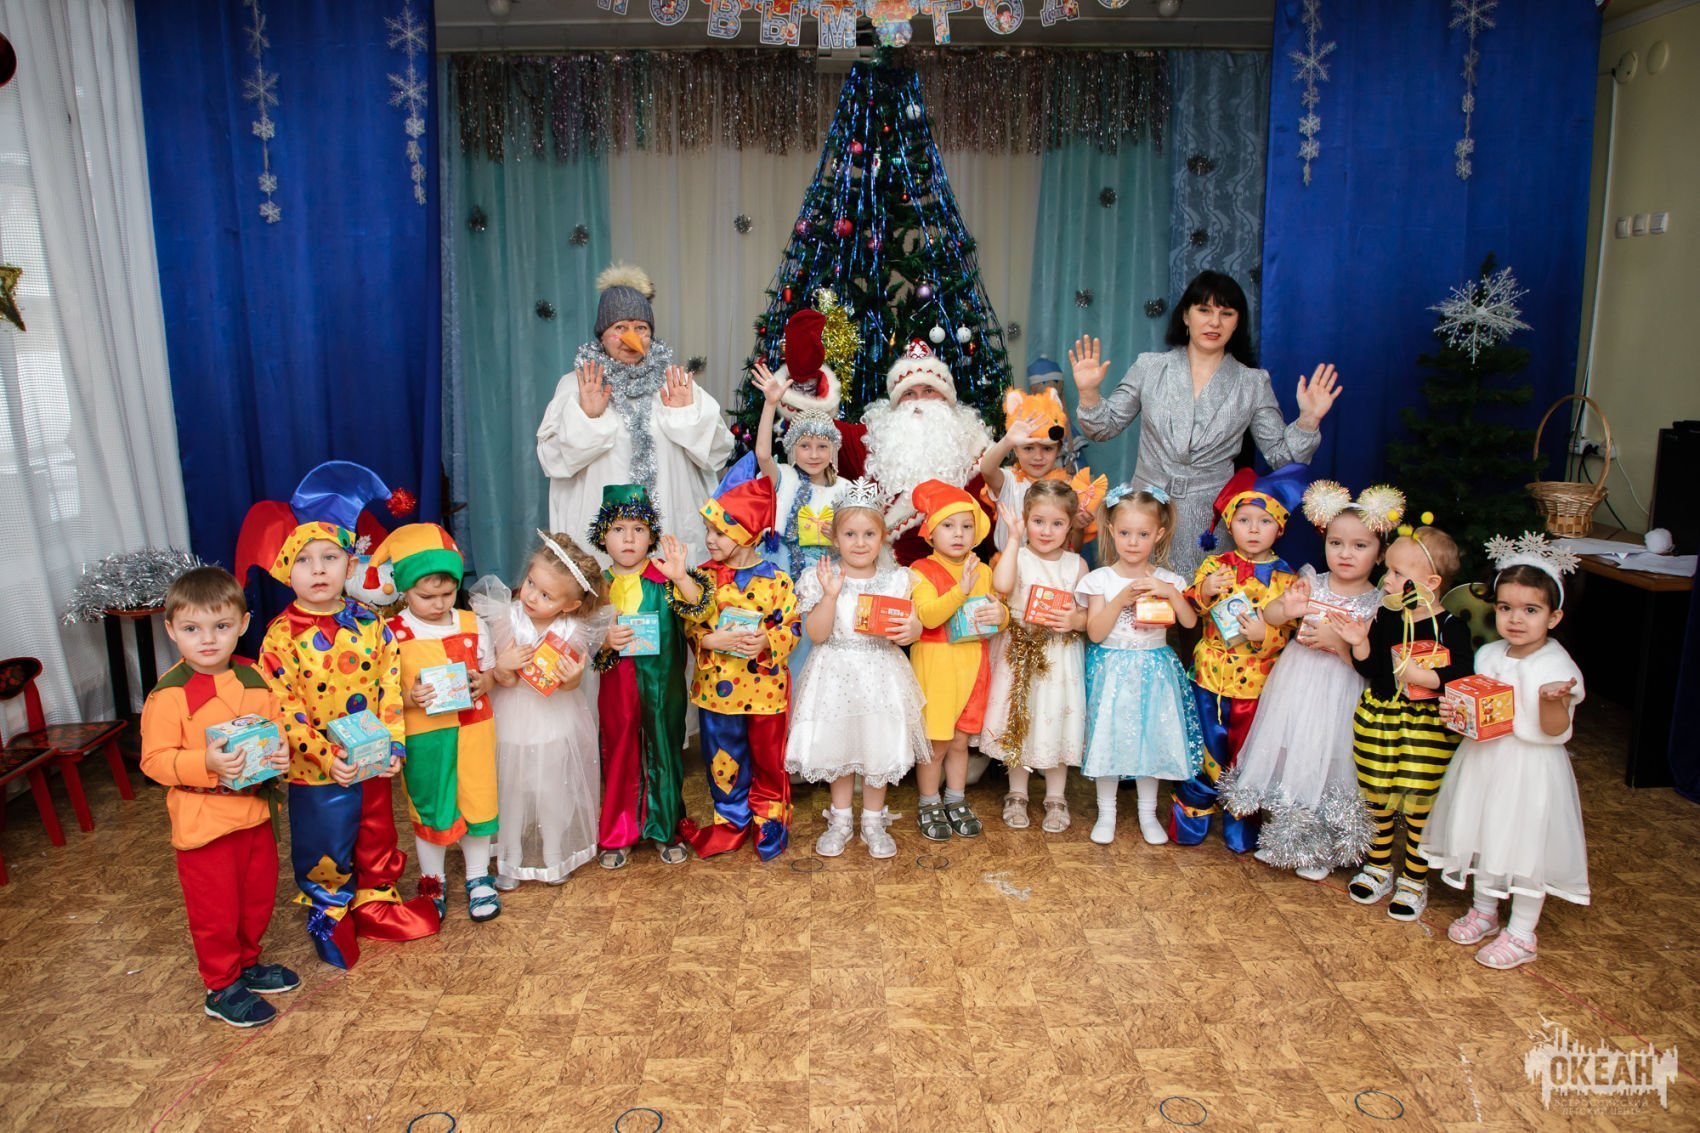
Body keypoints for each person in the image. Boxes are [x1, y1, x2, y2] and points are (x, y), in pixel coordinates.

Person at [241, 460, 442, 970]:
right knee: (325, 842)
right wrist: (324, 755)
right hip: (318, 771)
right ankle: (328, 913)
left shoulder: (371, 623)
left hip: (371, 760)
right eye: (305, 560)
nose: (318, 570)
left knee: (376, 831)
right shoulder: (280, 637)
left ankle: (376, 899)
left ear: (349, 566)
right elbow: (283, 706)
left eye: (330, 557)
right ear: (286, 569)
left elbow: (389, 687)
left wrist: (394, 743)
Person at [1067, 270, 1343, 578]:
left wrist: (1308, 419)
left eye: (1226, 313)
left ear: (1237, 322)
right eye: (1204, 310)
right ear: (1186, 316)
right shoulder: (1150, 367)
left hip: (1209, 521)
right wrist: (1089, 393)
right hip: (1145, 515)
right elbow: (1103, 427)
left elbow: (1282, 458)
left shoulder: (1252, 383)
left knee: (1204, 603)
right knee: (1138, 602)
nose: (1215, 322)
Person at [140, 567, 297, 1027]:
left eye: (221, 626)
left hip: (256, 815)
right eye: (192, 629)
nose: (207, 640)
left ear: (242, 625)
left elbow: (276, 729)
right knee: (216, 911)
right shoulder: (168, 695)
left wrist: (281, 752)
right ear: (172, 631)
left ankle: (247, 963)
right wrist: (204, 763)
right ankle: (220, 985)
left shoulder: (254, 678)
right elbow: (154, 761)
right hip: (204, 826)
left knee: (256, 900)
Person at [1422, 535, 1588, 970]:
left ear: (1554, 617)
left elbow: (1556, 730)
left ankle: (1523, 932)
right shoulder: (1489, 655)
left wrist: (1552, 701)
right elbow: (1475, 710)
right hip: (1484, 761)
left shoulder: (1556, 666)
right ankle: (1485, 910)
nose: (1515, 619)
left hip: (1528, 767)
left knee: (1525, 844)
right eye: (1505, 608)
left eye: (1530, 610)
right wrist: (1454, 712)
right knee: (1485, 830)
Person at [1219, 482, 1399, 879]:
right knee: (1291, 750)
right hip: (1297, 681)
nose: (1345, 554)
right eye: (1336, 543)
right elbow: (1270, 617)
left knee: (1328, 757)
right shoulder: (1311, 581)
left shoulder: (1377, 602)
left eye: (1359, 546)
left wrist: (1340, 643)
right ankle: (1286, 838)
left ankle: (1322, 848)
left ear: (1380, 553)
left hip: (1340, 689)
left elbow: (1372, 663)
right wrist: (1287, 607)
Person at [537, 263, 735, 566]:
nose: (631, 337)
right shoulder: (577, 384)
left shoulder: (676, 383)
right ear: (602, 335)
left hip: (671, 530)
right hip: (599, 535)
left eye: (641, 328)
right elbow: (552, 459)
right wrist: (587, 419)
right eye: (620, 328)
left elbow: (718, 453)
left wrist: (687, 417)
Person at [656, 457, 799, 861]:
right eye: (708, 530)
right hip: (718, 693)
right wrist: (708, 637)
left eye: (719, 531)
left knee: (768, 760)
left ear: (748, 533)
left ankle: (769, 819)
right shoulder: (703, 577)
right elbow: (693, 618)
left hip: (766, 693)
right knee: (723, 759)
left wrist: (768, 641)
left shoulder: (777, 580)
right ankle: (730, 821)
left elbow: (793, 626)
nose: (710, 539)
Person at [1331, 525, 1473, 922]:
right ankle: (1378, 866)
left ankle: (1414, 877)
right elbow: (1372, 669)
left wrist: (1426, 677)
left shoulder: (1450, 627)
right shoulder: (1387, 616)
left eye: (1397, 573)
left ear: (1431, 583)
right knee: (1377, 794)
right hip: (1380, 719)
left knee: (1418, 802)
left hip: (1427, 728)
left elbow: (1462, 675)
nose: (1387, 580)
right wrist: (1360, 642)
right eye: (1387, 571)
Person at [784, 480, 930, 859]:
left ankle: (873, 821)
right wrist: (830, 596)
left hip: (880, 675)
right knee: (840, 745)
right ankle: (841, 819)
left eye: (869, 534)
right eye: (850, 534)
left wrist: (911, 629)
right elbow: (817, 634)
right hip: (835, 674)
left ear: (882, 537)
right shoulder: (821, 579)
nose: (860, 542)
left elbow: (911, 628)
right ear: (835, 538)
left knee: (877, 745)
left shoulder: (897, 580)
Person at [1173, 465, 1308, 850]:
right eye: (1244, 520)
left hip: (1256, 686)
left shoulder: (1286, 579)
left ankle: (1241, 827)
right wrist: (1204, 590)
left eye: (1264, 521)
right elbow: (1190, 611)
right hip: (1208, 677)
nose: (1253, 529)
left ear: (1279, 528)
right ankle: (1191, 819)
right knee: (1203, 750)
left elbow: (1290, 633)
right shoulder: (1215, 566)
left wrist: (1266, 635)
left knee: (1245, 755)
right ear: (1230, 525)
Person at [376, 524, 501, 923]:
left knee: (477, 800)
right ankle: (433, 881)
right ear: (404, 591)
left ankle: (479, 877)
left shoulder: (472, 623)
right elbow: (382, 691)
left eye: (446, 594)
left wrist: (485, 682)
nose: (438, 603)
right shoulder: (391, 633)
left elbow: (491, 671)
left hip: (474, 729)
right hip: (424, 736)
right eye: (426, 596)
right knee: (430, 806)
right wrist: (410, 698)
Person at [472, 532, 611, 889]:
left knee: (552, 791)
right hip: (512, 718)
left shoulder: (571, 629)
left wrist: (572, 677)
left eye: (546, 595)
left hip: (553, 720)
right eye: (531, 583)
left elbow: (568, 685)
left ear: (569, 605)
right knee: (512, 792)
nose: (532, 596)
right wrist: (504, 665)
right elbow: (502, 679)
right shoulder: (508, 618)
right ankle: (510, 859)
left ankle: (553, 855)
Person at [1076, 486, 1201, 846]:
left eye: (1143, 534)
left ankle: (1148, 813)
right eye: (1125, 533)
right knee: (1109, 736)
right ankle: (1107, 813)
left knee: (1152, 737)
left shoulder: (1169, 580)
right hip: (1112, 669)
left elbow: (1190, 623)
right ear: (1111, 531)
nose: (1133, 542)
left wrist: (1170, 592)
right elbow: (1095, 632)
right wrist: (1119, 599)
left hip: (1154, 669)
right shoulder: (1099, 580)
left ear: (1158, 534)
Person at [588, 484, 691, 869]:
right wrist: (604, 640)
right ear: (603, 536)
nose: (629, 539)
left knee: (664, 750)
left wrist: (682, 578)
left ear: (651, 536)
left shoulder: (666, 576)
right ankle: (618, 832)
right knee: (619, 753)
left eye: (638, 529)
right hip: (618, 685)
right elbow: (581, 638)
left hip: (663, 686)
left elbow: (699, 609)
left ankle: (666, 828)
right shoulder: (596, 585)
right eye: (618, 529)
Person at [982, 480, 1090, 833]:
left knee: (1055, 719)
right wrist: (1013, 540)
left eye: (1057, 523)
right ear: (1026, 519)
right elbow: (1002, 585)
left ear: (1070, 525)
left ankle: (1056, 797)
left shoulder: (1077, 565)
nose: (1046, 531)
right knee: (1020, 719)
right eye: (1038, 521)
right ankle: (1017, 792)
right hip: (1019, 650)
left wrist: (1075, 620)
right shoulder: (1018, 556)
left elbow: (1088, 615)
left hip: (1059, 657)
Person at [907, 479, 1009, 841]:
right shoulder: (920, 570)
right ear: (931, 532)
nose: (959, 534)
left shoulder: (983, 571)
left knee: (961, 743)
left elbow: (997, 615)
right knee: (935, 745)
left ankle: (956, 798)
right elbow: (929, 616)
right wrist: (960, 590)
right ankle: (928, 802)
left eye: (967, 526)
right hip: (936, 666)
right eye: (948, 525)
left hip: (973, 664)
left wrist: (1001, 615)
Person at [861, 339, 995, 565]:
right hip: (887, 572)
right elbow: (817, 425)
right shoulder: (875, 439)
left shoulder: (977, 448)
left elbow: (994, 522)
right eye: (909, 393)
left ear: (945, 397)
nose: (918, 402)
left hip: (955, 572)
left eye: (929, 390)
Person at [978, 387, 1104, 556]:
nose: (1038, 457)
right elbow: (986, 469)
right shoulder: (1008, 481)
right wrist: (1008, 441)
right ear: (1015, 450)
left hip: (1052, 568)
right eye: (1028, 448)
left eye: (1047, 448)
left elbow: (1073, 549)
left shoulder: (1067, 488)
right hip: (1011, 565)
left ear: (1058, 450)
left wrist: (1078, 528)